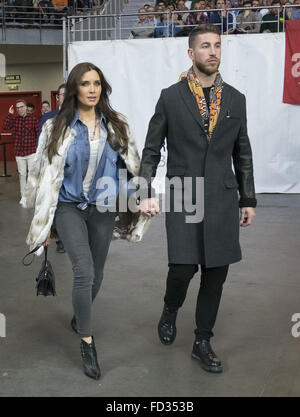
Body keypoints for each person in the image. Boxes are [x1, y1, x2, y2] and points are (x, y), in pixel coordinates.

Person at [138, 24, 256, 374]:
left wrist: (247, 198)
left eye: (217, 45)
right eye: (205, 46)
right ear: (191, 53)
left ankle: (202, 340)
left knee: (216, 272)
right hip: (183, 193)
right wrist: (144, 190)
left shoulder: (235, 99)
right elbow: (150, 149)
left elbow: (243, 152)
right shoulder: (170, 97)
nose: (213, 51)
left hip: (221, 197)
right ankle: (170, 308)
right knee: (183, 268)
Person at [24, 62, 150, 380]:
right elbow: (42, 174)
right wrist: (43, 220)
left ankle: (80, 316)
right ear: (74, 89)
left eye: (96, 83)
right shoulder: (57, 128)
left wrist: (141, 198)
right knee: (84, 270)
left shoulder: (117, 125)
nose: (92, 89)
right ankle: (87, 341)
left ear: (102, 88)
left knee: (97, 274)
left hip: (103, 206)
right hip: (68, 206)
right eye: (85, 83)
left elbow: (128, 173)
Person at [39, 83, 67, 254]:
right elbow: (41, 145)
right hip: (53, 170)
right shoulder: (48, 117)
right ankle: (59, 239)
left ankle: (67, 237)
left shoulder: (80, 115)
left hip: (73, 173)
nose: (66, 97)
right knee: (54, 206)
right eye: (63, 94)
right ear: (57, 98)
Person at [3, 100, 39, 206]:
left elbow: (38, 134)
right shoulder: (14, 120)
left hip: (31, 151)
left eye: (21, 107)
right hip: (19, 152)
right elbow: (5, 127)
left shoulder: (33, 119)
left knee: (32, 175)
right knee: (22, 175)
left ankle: (31, 196)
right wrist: (9, 114)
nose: (19, 109)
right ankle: (23, 197)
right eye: (17, 108)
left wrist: (37, 149)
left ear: (25, 107)